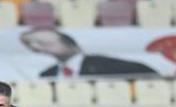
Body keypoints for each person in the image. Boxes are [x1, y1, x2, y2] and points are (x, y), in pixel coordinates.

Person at [20, 28, 157, 78]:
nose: (37, 46)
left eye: (44, 42)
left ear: (72, 45)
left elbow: (145, 72)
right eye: (32, 44)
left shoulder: (107, 65)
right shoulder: (47, 74)